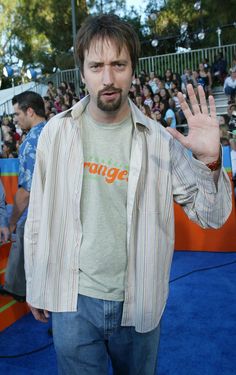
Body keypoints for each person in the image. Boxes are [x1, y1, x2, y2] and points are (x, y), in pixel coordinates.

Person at [24, 14, 232, 375]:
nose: (108, 78)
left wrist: (211, 161)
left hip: (139, 300)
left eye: (118, 64)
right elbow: (39, 216)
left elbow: (210, 216)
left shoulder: (158, 140)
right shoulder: (55, 134)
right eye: (97, 66)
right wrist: (35, 281)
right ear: (82, 72)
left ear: (132, 69)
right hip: (72, 298)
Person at [0, 91, 46, 302]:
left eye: (17, 114)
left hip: (44, 210)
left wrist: (9, 223)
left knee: (21, 228)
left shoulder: (31, 142)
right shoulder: (56, 131)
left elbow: (25, 192)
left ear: (30, 111)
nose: (15, 119)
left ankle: (18, 287)